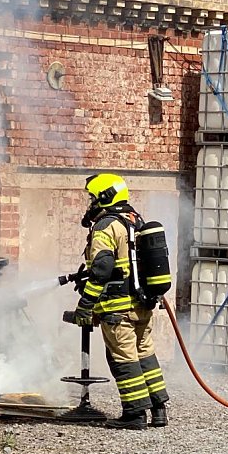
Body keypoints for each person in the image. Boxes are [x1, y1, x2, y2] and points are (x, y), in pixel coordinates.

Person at [69, 173, 170, 430]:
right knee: (144, 353)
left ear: (104, 196)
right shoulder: (135, 220)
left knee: (123, 358)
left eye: (92, 197)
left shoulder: (106, 226)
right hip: (142, 304)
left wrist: (85, 303)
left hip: (117, 308)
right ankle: (159, 410)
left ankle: (134, 414)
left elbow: (102, 267)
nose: (90, 202)